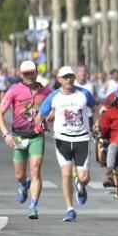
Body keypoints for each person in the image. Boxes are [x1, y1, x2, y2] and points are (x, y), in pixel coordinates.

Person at [38, 66, 97, 222]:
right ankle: (70, 209)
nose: (68, 79)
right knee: (66, 173)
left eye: (71, 76)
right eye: (65, 77)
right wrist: (41, 124)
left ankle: (81, 186)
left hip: (82, 139)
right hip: (62, 139)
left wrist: (96, 124)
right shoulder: (54, 96)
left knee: (84, 177)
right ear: (59, 80)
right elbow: (40, 114)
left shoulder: (84, 94)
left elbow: (95, 108)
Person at [0, 61, 51, 219]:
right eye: (26, 74)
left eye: (32, 72)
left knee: (36, 170)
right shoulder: (14, 90)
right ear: (21, 75)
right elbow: (0, 112)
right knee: (19, 175)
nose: (29, 76)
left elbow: (56, 110)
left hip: (37, 136)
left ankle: (33, 206)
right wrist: (6, 134)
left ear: (36, 72)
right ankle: (23, 184)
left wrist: (47, 118)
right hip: (18, 137)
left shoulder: (46, 92)